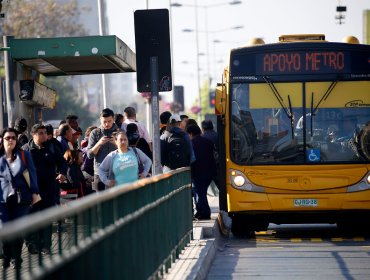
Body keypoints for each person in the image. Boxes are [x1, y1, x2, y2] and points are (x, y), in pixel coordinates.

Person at [24, 124, 68, 254]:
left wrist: (62, 173)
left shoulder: (52, 147)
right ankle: (32, 243)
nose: (44, 136)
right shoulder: (26, 150)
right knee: (32, 218)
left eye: (45, 133)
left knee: (47, 218)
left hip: (49, 189)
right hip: (32, 191)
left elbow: (62, 162)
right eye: (40, 133)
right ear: (33, 135)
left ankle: (46, 246)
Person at [0, 128, 40, 268]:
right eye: (7, 138)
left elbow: (32, 173)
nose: (10, 140)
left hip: (21, 197)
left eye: (13, 137)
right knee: (5, 227)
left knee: (18, 228)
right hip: (2, 200)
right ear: (2, 140)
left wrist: (35, 192)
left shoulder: (24, 155)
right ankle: (7, 254)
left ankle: (16, 258)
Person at [186, 124, 216, 220]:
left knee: (200, 192)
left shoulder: (191, 143)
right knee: (201, 192)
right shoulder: (208, 142)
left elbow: (192, 159)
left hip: (198, 171)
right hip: (210, 171)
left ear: (190, 133)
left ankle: (205, 213)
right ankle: (200, 212)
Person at [87, 108, 121, 191]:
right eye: (104, 122)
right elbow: (89, 155)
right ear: (100, 120)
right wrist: (99, 143)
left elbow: (127, 152)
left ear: (113, 119)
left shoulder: (120, 132)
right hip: (100, 173)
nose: (106, 124)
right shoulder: (95, 133)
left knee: (117, 201)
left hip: (117, 172)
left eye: (109, 121)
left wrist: (116, 144)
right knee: (101, 202)